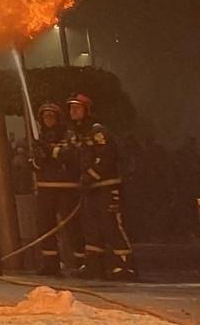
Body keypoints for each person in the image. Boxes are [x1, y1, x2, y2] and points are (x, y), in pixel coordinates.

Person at [66, 93, 136, 281]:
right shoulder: (77, 134)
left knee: (111, 224)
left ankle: (125, 266)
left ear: (87, 110)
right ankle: (93, 266)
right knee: (90, 227)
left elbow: (106, 157)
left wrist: (90, 175)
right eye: (71, 108)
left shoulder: (98, 132)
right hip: (90, 190)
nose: (73, 111)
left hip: (106, 187)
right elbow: (74, 158)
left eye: (77, 108)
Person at [30, 100, 83, 276]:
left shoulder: (68, 134)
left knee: (72, 226)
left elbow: (70, 154)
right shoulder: (40, 138)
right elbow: (36, 165)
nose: (48, 119)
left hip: (66, 188)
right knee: (45, 226)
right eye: (45, 116)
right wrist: (37, 157)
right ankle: (50, 263)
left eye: (51, 116)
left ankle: (82, 262)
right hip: (45, 188)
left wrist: (51, 151)